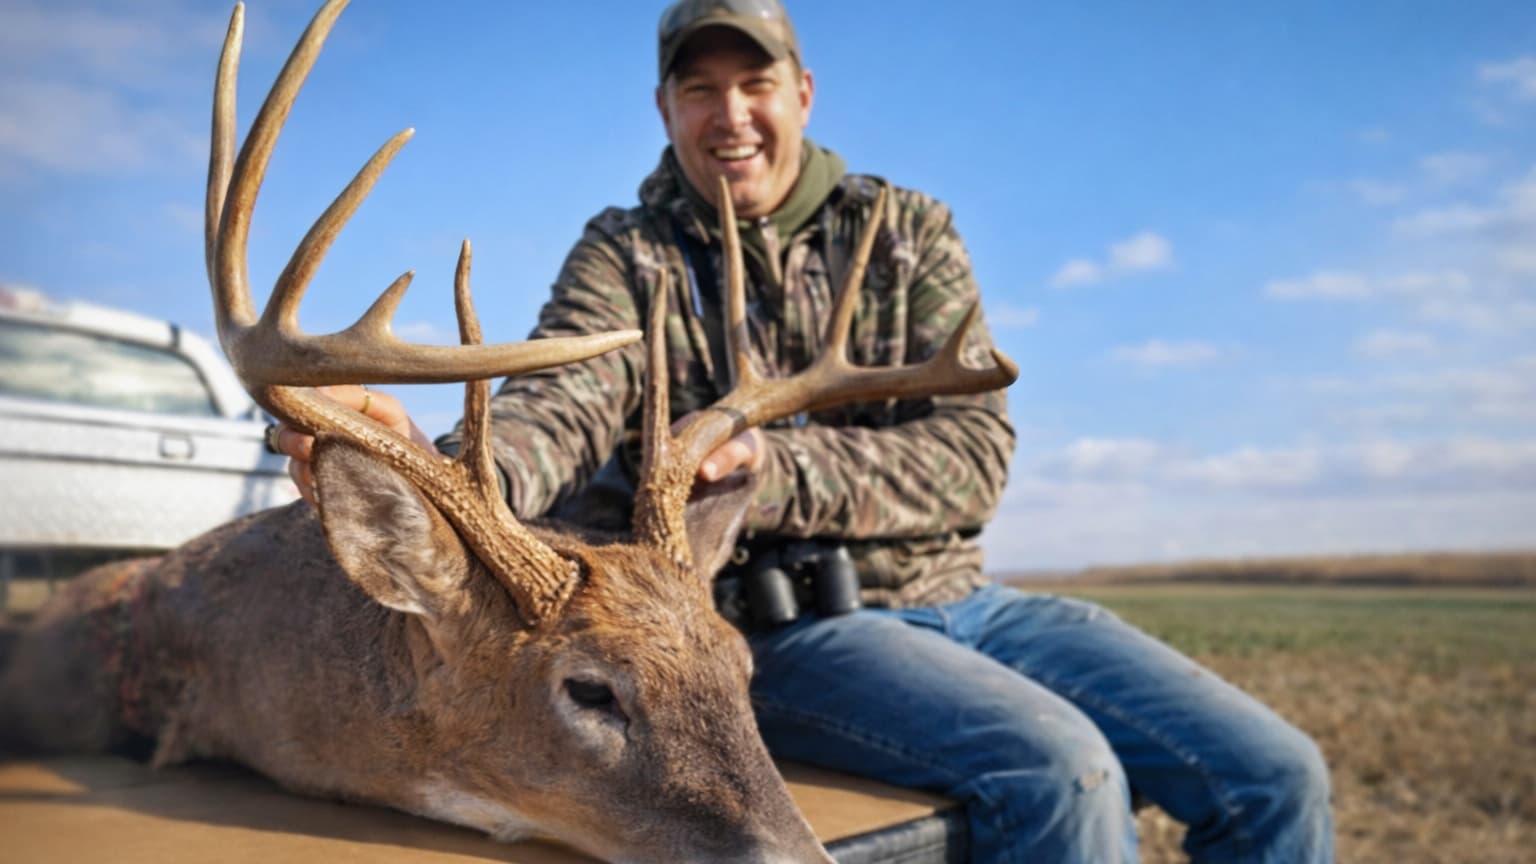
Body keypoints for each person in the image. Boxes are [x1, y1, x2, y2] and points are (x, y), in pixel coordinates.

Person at [273, 1, 1334, 860]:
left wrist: (767, 469)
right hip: (789, 631)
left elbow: (970, 457)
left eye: (753, 84)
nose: (729, 114)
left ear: (801, 93)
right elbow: (564, 403)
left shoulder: (902, 232)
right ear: (666, 108)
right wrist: (437, 470)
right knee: (1058, 769)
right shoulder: (627, 258)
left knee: (1277, 775)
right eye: (700, 89)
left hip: (967, 599)